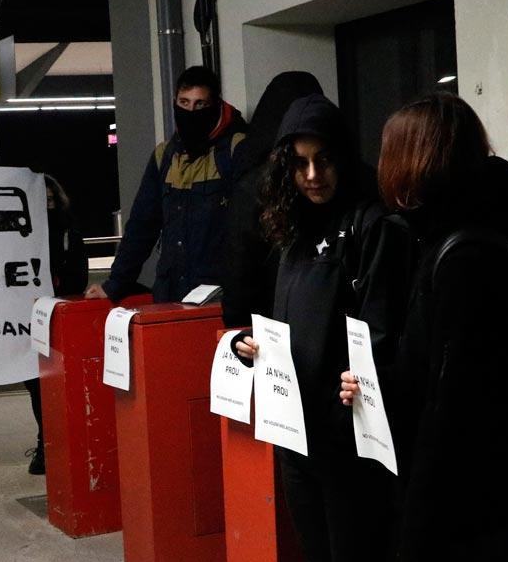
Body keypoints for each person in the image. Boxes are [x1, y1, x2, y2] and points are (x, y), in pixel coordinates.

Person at [340, 93, 508, 562]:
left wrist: (418, 543)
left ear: (416, 163)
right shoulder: (454, 245)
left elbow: (453, 415)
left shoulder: (462, 260)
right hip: (475, 505)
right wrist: (374, 388)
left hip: (467, 514)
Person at [232, 94, 404, 562]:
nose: (313, 175)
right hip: (296, 439)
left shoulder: (374, 224)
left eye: (324, 160)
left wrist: (369, 377)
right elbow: (273, 317)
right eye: (301, 162)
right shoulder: (290, 227)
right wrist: (247, 343)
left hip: (350, 442)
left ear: (344, 157)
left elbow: (386, 329)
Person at [84, 66, 246, 303]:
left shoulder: (237, 150)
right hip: (170, 295)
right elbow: (142, 225)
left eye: (200, 104)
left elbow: (250, 230)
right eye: (184, 102)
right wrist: (115, 283)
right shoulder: (165, 156)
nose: (191, 111)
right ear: (175, 102)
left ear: (216, 105)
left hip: (218, 298)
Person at [222, 71, 324, 327]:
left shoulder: (251, 185)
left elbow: (239, 278)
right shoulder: (342, 177)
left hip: (268, 332)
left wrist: (239, 331)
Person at [24, 175, 88, 474]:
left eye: (51, 201)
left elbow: (78, 275)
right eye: (42, 202)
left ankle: (53, 444)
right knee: (36, 385)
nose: (48, 207)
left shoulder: (68, 232)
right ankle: (46, 441)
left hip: (58, 315)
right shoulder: (20, 236)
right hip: (31, 317)